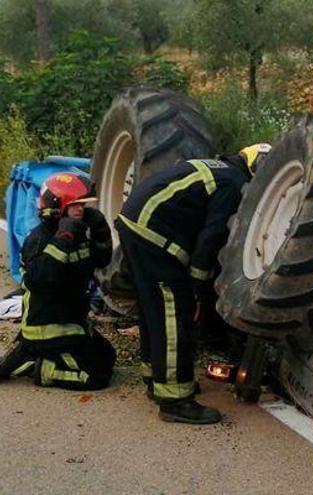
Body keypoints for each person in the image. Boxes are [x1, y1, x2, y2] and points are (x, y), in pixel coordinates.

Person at [116, 143, 270, 424]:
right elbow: (211, 237)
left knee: (153, 308)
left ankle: (157, 378)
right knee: (174, 313)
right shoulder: (234, 184)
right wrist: (199, 286)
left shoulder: (219, 169)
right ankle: (175, 400)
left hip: (136, 225)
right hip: (154, 236)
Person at [0, 173, 116, 389]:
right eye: (74, 205)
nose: (80, 209)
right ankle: (43, 369)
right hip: (48, 327)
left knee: (108, 356)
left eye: (82, 204)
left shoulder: (79, 234)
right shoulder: (38, 239)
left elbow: (102, 260)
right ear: (56, 208)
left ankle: (36, 357)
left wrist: (101, 231)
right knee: (96, 376)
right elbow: (40, 281)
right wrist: (63, 240)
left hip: (72, 322)